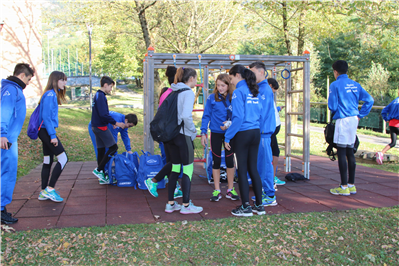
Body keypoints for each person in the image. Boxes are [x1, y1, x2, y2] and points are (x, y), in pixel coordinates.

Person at [224, 64, 266, 217]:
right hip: (255, 132)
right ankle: (259, 205)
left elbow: (238, 117)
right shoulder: (254, 91)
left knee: (242, 169)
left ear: (237, 75)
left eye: (231, 78)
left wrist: (227, 136)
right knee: (253, 169)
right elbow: (261, 114)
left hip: (243, 133)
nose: (231, 82)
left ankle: (245, 206)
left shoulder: (238, 92)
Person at [328, 60, 374, 196]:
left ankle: (343, 187)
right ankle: (351, 185)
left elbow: (332, 105)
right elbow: (370, 100)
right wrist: (361, 114)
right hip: (354, 119)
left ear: (335, 71)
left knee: (341, 151)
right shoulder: (356, 84)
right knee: (350, 151)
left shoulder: (335, 84)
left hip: (343, 119)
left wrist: (336, 112)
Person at [163, 67, 203, 214]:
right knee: (187, 169)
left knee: (174, 169)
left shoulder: (174, 90)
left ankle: (170, 203)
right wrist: (192, 129)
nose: (196, 81)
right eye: (196, 78)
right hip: (182, 135)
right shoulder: (187, 92)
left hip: (171, 135)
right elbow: (186, 116)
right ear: (191, 78)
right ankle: (186, 205)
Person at [0, 63, 35, 224]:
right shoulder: (11, 90)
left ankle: (2, 208)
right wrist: (2, 134)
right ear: (22, 76)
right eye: (28, 79)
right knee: (6, 174)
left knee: (6, 173)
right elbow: (4, 112)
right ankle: (1, 210)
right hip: (6, 140)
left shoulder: (12, 89)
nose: (28, 83)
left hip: (9, 139)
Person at [145, 66, 183, 199]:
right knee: (175, 161)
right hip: (172, 132)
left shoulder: (165, 92)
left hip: (166, 132)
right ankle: (155, 180)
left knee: (172, 161)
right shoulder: (175, 93)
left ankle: (174, 188)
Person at [200, 74, 239, 202]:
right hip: (216, 133)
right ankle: (217, 189)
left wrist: (229, 124)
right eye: (218, 85)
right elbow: (206, 116)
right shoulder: (212, 98)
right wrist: (203, 132)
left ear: (228, 85)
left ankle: (230, 189)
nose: (220, 88)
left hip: (230, 133)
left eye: (223, 85)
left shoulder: (234, 97)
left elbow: (238, 116)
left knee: (229, 161)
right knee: (216, 161)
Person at [37, 71, 69, 202]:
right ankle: (49, 189)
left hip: (44, 130)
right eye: (62, 80)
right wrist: (52, 135)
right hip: (46, 131)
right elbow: (46, 117)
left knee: (47, 160)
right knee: (63, 158)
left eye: (65, 80)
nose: (65, 83)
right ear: (55, 80)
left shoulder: (49, 94)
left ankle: (43, 191)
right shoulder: (50, 94)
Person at [249, 62, 277, 207]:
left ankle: (270, 194)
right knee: (260, 164)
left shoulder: (265, 89)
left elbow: (263, 113)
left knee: (266, 164)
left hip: (264, 132)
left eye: (253, 72)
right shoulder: (259, 88)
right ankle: (264, 192)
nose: (251, 76)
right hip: (260, 132)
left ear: (261, 72)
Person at [91, 76, 126, 184]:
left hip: (95, 126)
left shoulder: (97, 95)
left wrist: (111, 123)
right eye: (110, 87)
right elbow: (103, 114)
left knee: (101, 150)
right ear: (105, 85)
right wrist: (116, 123)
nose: (111, 89)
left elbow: (102, 114)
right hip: (100, 127)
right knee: (114, 147)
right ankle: (99, 169)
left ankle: (100, 175)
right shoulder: (101, 96)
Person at [267, 78, 286, 186]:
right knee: (273, 153)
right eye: (273, 90)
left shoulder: (269, 95)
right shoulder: (265, 94)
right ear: (269, 85)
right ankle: (271, 178)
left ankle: (272, 177)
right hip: (270, 129)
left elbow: (272, 109)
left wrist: (278, 108)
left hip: (273, 128)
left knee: (275, 152)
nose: (273, 92)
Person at [376, 91, 399, 164]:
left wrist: (386, 119)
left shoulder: (394, 101)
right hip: (398, 123)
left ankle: (381, 153)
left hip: (392, 124)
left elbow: (384, 110)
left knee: (393, 143)